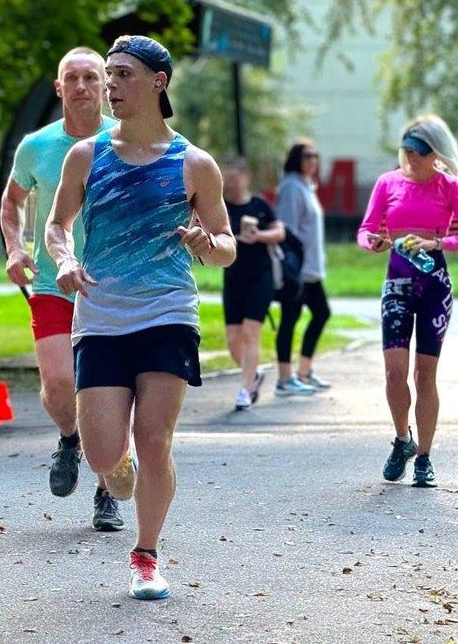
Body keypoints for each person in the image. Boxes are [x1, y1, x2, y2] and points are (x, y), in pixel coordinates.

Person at [46, 35, 235, 600]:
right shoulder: (87, 155)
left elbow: (227, 246)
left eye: (123, 74)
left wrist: (208, 241)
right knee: (104, 453)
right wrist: (64, 260)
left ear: (159, 82)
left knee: (155, 440)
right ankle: (114, 464)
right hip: (101, 315)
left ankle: (146, 555)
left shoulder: (195, 164)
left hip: (168, 313)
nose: (110, 86)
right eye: (108, 74)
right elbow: (57, 225)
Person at [0, 46, 127, 533]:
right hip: (53, 282)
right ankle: (71, 438)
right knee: (58, 385)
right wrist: (14, 249)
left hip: (110, 286)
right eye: (71, 78)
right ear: (59, 88)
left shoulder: (125, 141)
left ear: (105, 85)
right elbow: (12, 202)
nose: (81, 86)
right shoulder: (36, 146)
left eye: (90, 78)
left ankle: (107, 490)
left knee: (108, 391)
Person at [357, 114, 458, 488]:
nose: (412, 159)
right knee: (394, 372)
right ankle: (403, 440)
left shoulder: (450, 187)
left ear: (437, 154)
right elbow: (366, 230)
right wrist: (375, 242)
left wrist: (436, 243)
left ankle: (425, 458)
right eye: (408, 152)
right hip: (397, 285)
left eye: (420, 153)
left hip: (435, 287)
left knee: (425, 375)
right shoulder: (388, 183)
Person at [221, 159, 285, 410]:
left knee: (250, 332)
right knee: (232, 339)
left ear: (246, 178)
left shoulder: (259, 205)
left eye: (235, 180)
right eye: (228, 180)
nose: (231, 185)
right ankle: (254, 375)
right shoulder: (222, 207)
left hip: (260, 275)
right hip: (233, 276)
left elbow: (279, 232)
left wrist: (259, 236)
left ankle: (245, 391)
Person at [274, 140, 331, 396]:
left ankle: (304, 372)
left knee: (320, 313)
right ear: (296, 158)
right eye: (307, 156)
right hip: (298, 270)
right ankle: (285, 379)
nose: (312, 160)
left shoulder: (307, 186)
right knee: (291, 318)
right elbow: (287, 230)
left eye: (315, 155)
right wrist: (294, 267)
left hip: (311, 269)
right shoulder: (291, 188)